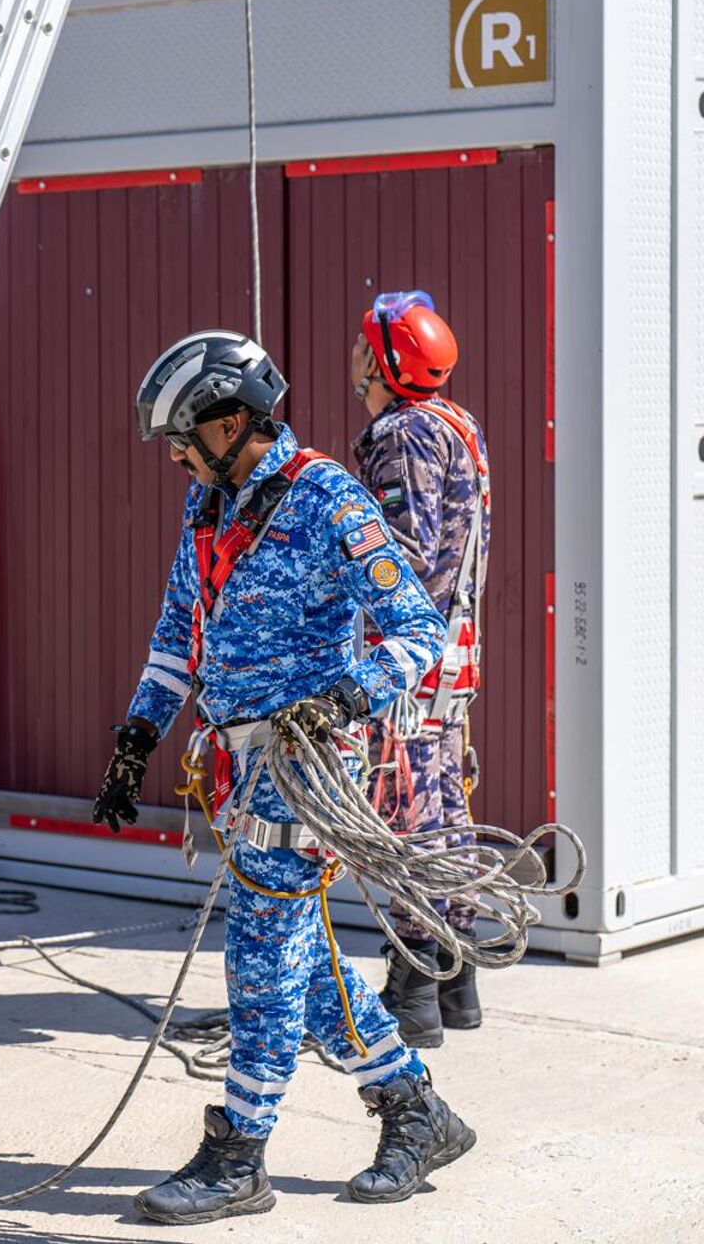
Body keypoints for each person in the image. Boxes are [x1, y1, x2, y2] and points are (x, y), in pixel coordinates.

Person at [93, 330, 473, 1224]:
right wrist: (136, 737)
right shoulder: (209, 510)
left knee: (260, 952)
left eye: (184, 436)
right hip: (236, 764)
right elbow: (175, 634)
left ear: (233, 422)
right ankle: (418, 1110)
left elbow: (418, 631)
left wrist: (346, 699)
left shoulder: (327, 501)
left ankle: (239, 1153)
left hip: (307, 766)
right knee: (299, 971)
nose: (176, 455)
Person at [350, 291, 490, 1048]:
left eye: (362, 343)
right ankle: (454, 975)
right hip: (452, 647)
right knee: (443, 803)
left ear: (383, 360)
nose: (353, 355)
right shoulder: (454, 423)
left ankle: (413, 984)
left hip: (411, 656)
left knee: (407, 810)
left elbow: (403, 556)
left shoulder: (402, 434)